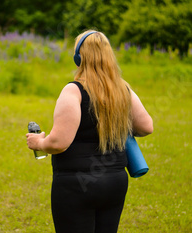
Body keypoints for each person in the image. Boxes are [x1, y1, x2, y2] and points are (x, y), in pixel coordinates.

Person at [26, 30, 153, 233]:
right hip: (115, 182)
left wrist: (39, 143)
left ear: (79, 58)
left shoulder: (73, 91)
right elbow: (146, 127)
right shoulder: (123, 89)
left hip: (77, 185)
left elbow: (59, 143)